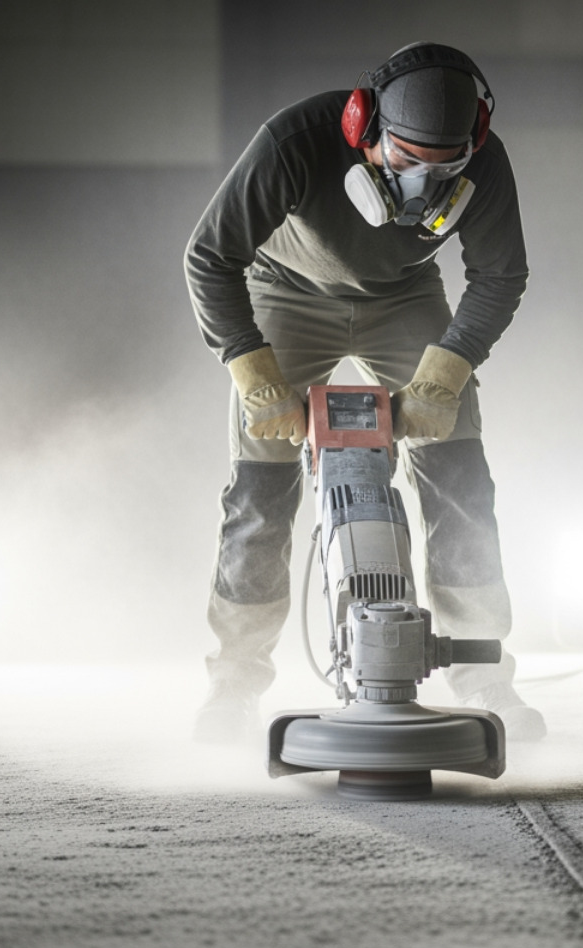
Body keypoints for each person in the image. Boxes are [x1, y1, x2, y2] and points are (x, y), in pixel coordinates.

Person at [183, 42, 543, 744]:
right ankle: (232, 684)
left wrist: (444, 375)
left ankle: (485, 678)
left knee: (460, 477)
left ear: (472, 145)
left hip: (404, 297)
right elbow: (209, 257)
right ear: (362, 126)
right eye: (405, 162)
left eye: (445, 169)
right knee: (260, 490)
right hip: (286, 290)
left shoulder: (487, 163)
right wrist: (255, 375)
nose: (423, 186)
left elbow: (501, 276)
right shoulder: (293, 142)